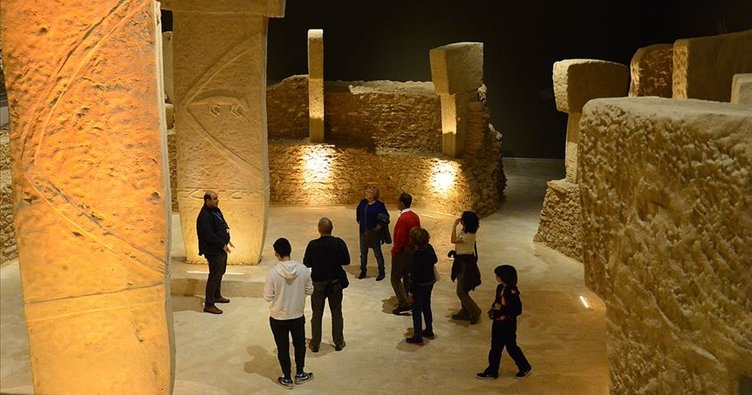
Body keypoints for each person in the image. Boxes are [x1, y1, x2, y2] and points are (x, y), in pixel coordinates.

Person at [263, 238, 315, 389]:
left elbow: (267, 297)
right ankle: (300, 373)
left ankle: (287, 377)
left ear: (276, 253)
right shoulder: (303, 269)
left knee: (283, 347)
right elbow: (310, 290)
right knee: (300, 345)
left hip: (278, 317)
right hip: (297, 315)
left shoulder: (273, 273)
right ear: (290, 251)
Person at [476, 264, 532, 380]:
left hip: (508, 324)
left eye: (498, 275)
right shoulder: (499, 288)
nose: (496, 277)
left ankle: (525, 366)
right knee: (495, 347)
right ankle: (492, 371)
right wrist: (493, 309)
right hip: (498, 323)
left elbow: (517, 310)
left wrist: (501, 309)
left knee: (511, 347)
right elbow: (496, 301)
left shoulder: (512, 292)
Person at [303, 217, 350, 352]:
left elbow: (307, 263)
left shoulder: (313, 245)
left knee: (317, 313)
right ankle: (339, 342)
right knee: (336, 312)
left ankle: (315, 343)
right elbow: (346, 261)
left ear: (319, 229)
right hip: (335, 283)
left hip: (318, 283)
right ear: (331, 229)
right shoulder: (339, 243)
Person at [196, 190, 233, 314]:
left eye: (217, 198)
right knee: (214, 275)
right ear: (207, 201)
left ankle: (217, 295)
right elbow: (208, 235)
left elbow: (222, 223)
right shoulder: (204, 216)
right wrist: (222, 244)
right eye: (215, 198)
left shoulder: (215, 210)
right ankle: (209, 304)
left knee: (221, 272)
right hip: (213, 250)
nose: (218, 200)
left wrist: (227, 238)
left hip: (220, 248)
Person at [405, 227, 437, 346]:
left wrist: (411, 293)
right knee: (427, 306)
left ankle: (418, 336)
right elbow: (435, 259)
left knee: (416, 310)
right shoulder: (429, 248)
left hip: (420, 285)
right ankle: (429, 330)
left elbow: (414, 277)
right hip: (430, 282)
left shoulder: (417, 256)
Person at [390, 192, 421, 315]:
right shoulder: (415, 216)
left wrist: (394, 251)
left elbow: (400, 238)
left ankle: (403, 303)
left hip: (403, 251)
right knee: (407, 275)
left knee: (395, 278)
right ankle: (409, 298)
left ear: (402, 203)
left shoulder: (403, 218)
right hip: (412, 250)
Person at [450, 211, 482, 324]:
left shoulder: (469, 235)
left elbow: (453, 240)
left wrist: (454, 225)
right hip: (461, 261)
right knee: (463, 288)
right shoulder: (466, 231)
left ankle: (475, 311)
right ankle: (465, 311)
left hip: (465, 263)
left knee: (461, 291)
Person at [355, 186, 389, 281]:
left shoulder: (379, 205)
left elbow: (385, 217)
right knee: (363, 252)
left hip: (374, 233)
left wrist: (379, 226)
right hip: (363, 231)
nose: (366, 192)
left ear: (374, 195)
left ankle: (381, 271)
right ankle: (363, 270)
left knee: (377, 253)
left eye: (369, 192)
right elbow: (358, 212)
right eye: (366, 191)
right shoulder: (363, 202)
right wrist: (359, 221)